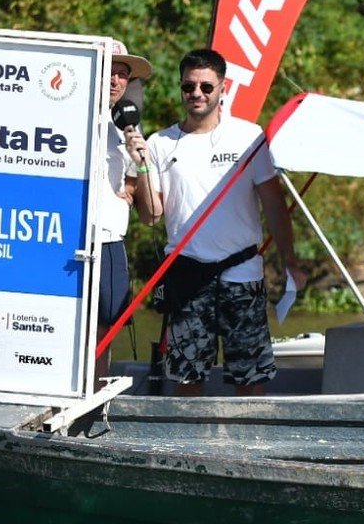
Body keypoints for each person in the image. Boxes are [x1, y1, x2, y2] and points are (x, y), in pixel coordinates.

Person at [131, 49, 306, 396]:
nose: (197, 93)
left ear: (222, 88)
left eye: (206, 87)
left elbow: (274, 204)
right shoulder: (158, 143)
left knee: (251, 377)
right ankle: (186, 448)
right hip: (187, 275)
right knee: (186, 377)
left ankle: (251, 447)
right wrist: (142, 166)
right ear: (180, 88)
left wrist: (290, 262)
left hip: (241, 275)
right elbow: (152, 214)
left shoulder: (249, 137)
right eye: (189, 86)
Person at [95, 39, 151, 376]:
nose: (115, 80)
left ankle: (97, 395)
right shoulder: (70, 116)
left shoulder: (129, 124)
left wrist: (133, 180)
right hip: (71, 237)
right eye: (108, 71)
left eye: (122, 74)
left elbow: (131, 182)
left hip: (111, 240)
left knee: (107, 326)